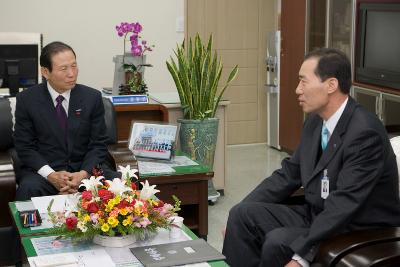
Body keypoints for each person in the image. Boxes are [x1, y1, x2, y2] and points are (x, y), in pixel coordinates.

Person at [222, 48, 400, 267]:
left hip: (357, 226)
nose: (297, 90)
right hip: (319, 213)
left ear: (331, 85)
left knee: (277, 241)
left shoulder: (364, 133)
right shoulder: (315, 122)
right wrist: (239, 212)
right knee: (242, 215)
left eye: (303, 82)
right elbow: (288, 175)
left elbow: (344, 204)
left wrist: (301, 256)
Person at [14, 41, 119, 201]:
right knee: (28, 189)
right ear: (45, 72)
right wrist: (51, 175)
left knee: (120, 185)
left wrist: (83, 174)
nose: (72, 73)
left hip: (86, 171)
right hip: (46, 173)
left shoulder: (92, 98)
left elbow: (98, 144)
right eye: (64, 68)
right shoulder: (27, 100)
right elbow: (25, 147)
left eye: (74, 66)